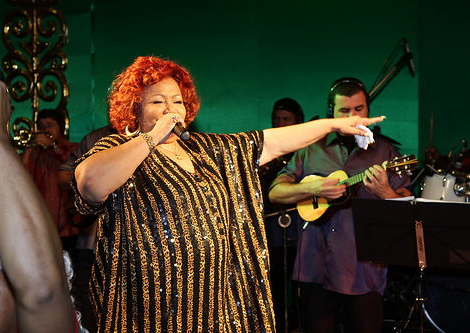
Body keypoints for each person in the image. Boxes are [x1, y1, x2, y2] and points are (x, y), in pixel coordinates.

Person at [72, 57, 385, 332]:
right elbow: (90, 184)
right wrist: (152, 137)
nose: (171, 110)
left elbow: (271, 142)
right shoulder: (117, 150)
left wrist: (335, 124)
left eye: (177, 101)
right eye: (157, 102)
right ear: (135, 107)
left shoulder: (206, 150)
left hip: (212, 309)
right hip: (148, 312)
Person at [269, 77, 412, 333]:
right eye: (344, 111)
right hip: (314, 267)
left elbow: (406, 214)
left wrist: (386, 192)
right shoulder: (310, 149)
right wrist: (309, 188)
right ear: (331, 112)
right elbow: (275, 193)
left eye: (359, 109)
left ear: (368, 109)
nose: (353, 117)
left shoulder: (386, 153)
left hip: (365, 271)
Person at [0, 52, 84, 332]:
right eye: (41, 126)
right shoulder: (32, 151)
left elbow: (42, 291)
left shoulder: (71, 149)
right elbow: (19, 170)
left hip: (59, 230)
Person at [58, 124, 117, 333]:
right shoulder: (96, 138)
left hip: (136, 249)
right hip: (93, 241)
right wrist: (89, 182)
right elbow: (64, 174)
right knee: (87, 301)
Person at [259, 97, 304, 332]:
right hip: (273, 234)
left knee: (301, 287)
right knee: (274, 283)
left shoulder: (306, 154)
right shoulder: (266, 154)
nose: (280, 124)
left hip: (303, 232)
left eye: (286, 119)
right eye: (276, 119)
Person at [21, 108, 79, 250]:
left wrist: (54, 146)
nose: (45, 129)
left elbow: (75, 168)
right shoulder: (36, 154)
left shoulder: (74, 149)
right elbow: (19, 179)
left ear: (61, 127)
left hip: (69, 226)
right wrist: (28, 149)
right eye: (41, 127)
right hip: (42, 227)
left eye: (50, 125)